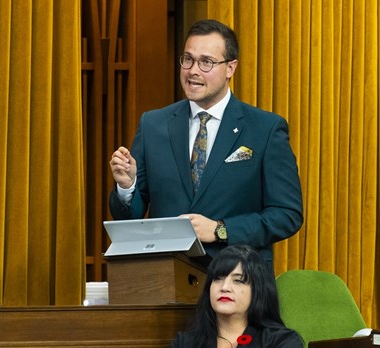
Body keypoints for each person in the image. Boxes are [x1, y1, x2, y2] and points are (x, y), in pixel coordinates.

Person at [108, 18, 303, 265]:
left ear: (230, 68)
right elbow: (131, 218)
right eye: (187, 59)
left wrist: (220, 230)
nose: (193, 71)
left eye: (206, 62)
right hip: (166, 281)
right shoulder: (153, 124)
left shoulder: (265, 128)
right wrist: (127, 188)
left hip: (238, 281)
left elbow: (287, 215)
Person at [170, 244, 304, 347]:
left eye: (238, 281)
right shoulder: (185, 342)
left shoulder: (281, 341)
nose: (225, 288)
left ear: (258, 290)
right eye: (218, 279)